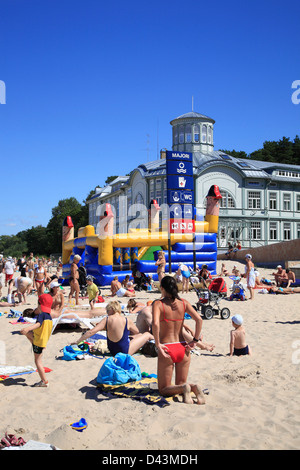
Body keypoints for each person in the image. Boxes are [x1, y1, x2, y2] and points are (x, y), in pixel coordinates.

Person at [152, 275, 205, 405]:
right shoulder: (184, 303)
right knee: (180, 384)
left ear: (163, 288)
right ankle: (193, 387)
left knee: (164, 389)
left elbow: (155, 323)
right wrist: (195, 340)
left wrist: (158, 343)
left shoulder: (158, 304)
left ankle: (185, 388)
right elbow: (199, 319)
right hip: (183, 348)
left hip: (167, 348)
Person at [74, 301, 153, 356]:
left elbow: (91, 332)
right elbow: (137, 332)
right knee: (146, 334)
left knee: (135, 337)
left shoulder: (106, 319)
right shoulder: (126, 320)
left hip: (113, 350)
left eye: (107, 310)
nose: (107, 312)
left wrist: (77, 342)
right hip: (124, 352)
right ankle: (161, 342)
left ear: (111, 310)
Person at [20, 294, 53, 387]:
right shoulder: (48, 316)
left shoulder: (41, 315)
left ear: (39, 304)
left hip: (38, 341)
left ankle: (44, 381)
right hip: (42, 340)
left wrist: (28, 328)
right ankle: (34, 344)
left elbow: (38, 324)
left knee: (38, 361)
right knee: (27, 334)